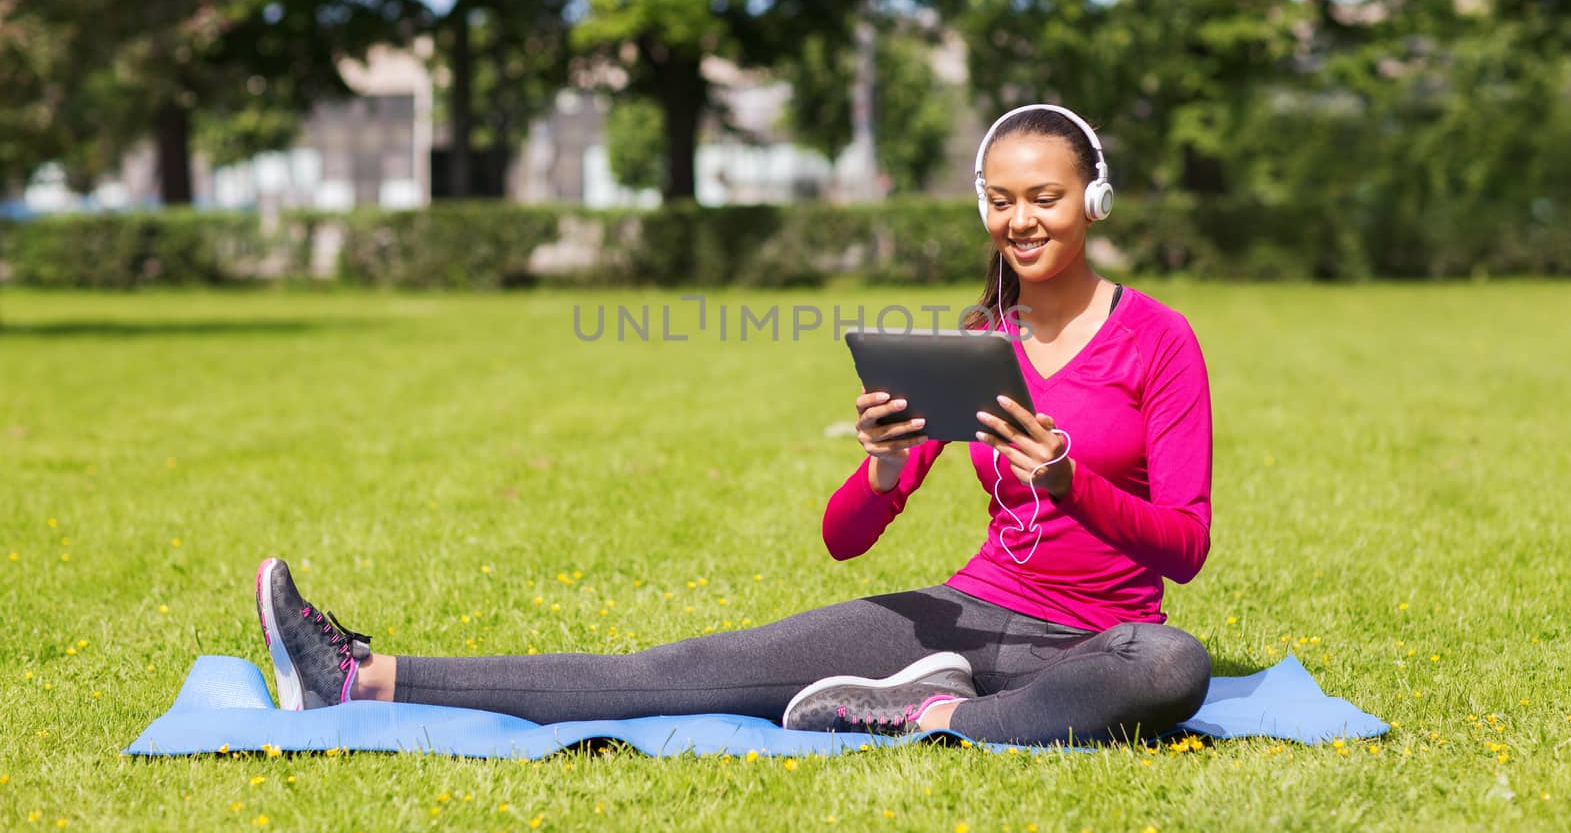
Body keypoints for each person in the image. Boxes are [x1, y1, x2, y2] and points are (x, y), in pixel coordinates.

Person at [254, 103, 1213, 746]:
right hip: (961, 615)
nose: (1021, 220)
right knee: (673, 670)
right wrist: (881, 471)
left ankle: (941, 718)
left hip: (1096, 640)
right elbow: (843, 542)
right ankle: (359, 678)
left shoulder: (1160, 342)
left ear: (1092, 199)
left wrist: (1068, 482)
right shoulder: (975, 342)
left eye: (1044, 198)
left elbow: (1186, 548)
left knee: (1173, 665)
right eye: (1001, 201)